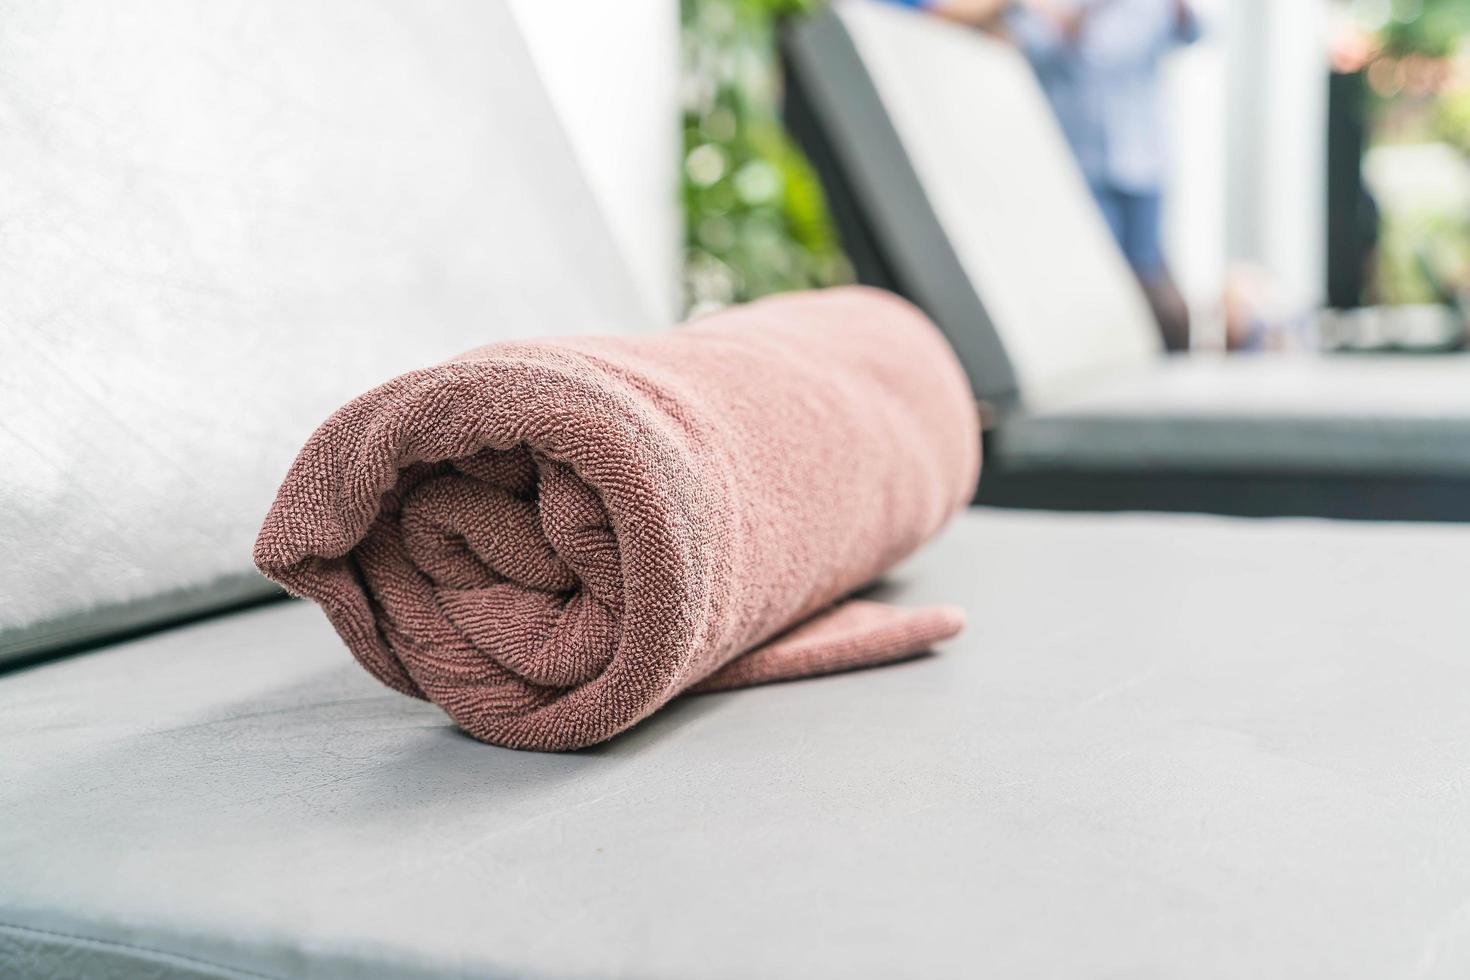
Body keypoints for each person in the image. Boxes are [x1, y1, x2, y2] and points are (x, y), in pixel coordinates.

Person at [886, 0, 1201, 351]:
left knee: (1150, 274)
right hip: (1078, 163)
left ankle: (1170, 368)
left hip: (1140, 158)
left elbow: (1180, 32)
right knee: (1093, 281)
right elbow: (1026, 43)